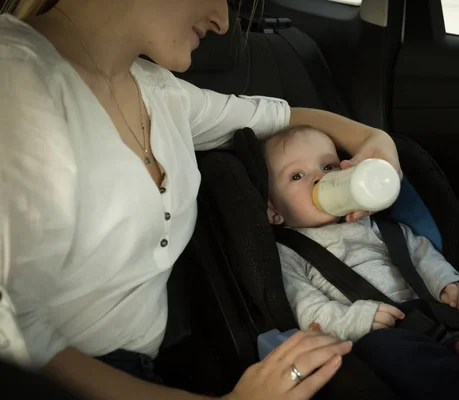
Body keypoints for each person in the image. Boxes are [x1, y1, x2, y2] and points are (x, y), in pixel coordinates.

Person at [0, 0, 402, 398]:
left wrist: (373, 139)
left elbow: (279, 118)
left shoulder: (160, 92)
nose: (224, 22)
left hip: (156, 367)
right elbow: (14, 337)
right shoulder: (16, 79)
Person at [263, 125, 459, 399]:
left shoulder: (382, 227)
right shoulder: (288, 253)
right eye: (297, 175)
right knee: (389, 355)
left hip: (442, 310)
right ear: (273, 210)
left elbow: (423, 257)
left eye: (330, 167)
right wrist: (357, 320)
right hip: (384, 332)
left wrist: (450, 283)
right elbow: (307, 309)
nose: (320, 179)